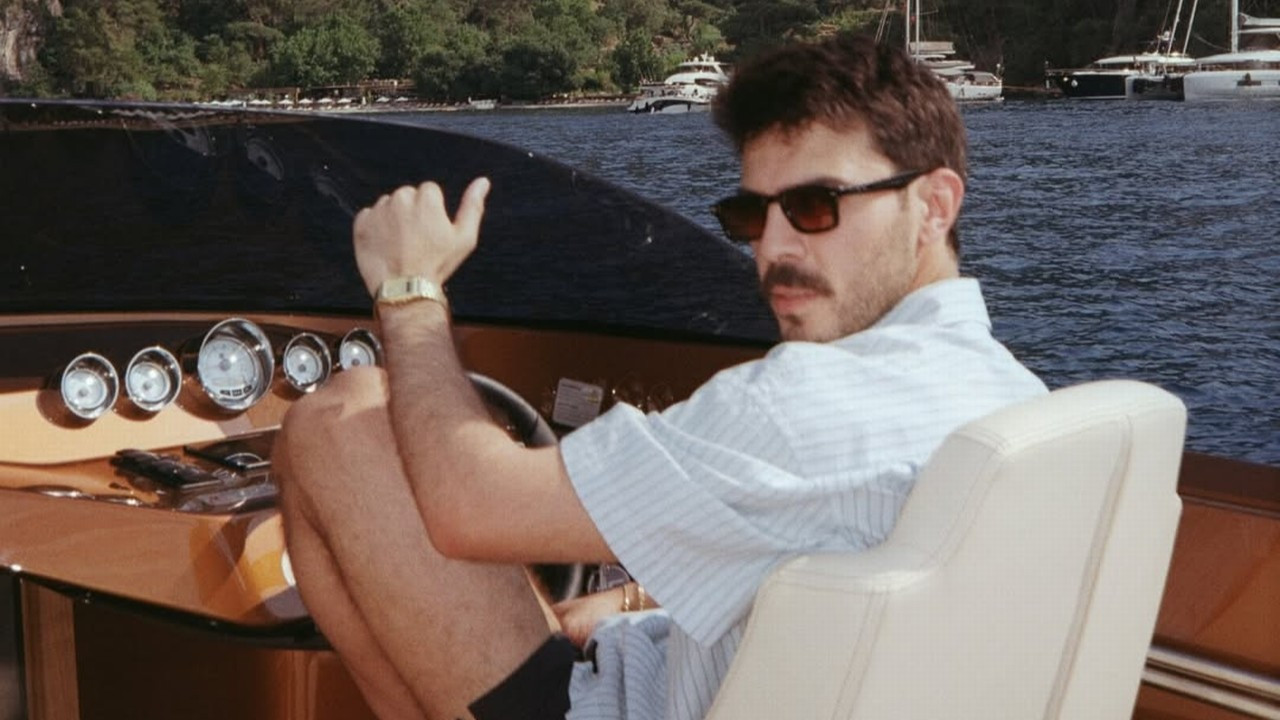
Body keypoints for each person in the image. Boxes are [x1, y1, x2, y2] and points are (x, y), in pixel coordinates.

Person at [273, 33, 1047, 720]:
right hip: (718, 671)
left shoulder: (800, 404)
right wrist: (640, 599)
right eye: (751, 216)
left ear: (934, 206)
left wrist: (409, 293)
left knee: (339, 419)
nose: (775, 249)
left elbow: (466, 506)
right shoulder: (1017, 400)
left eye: (815, 206)